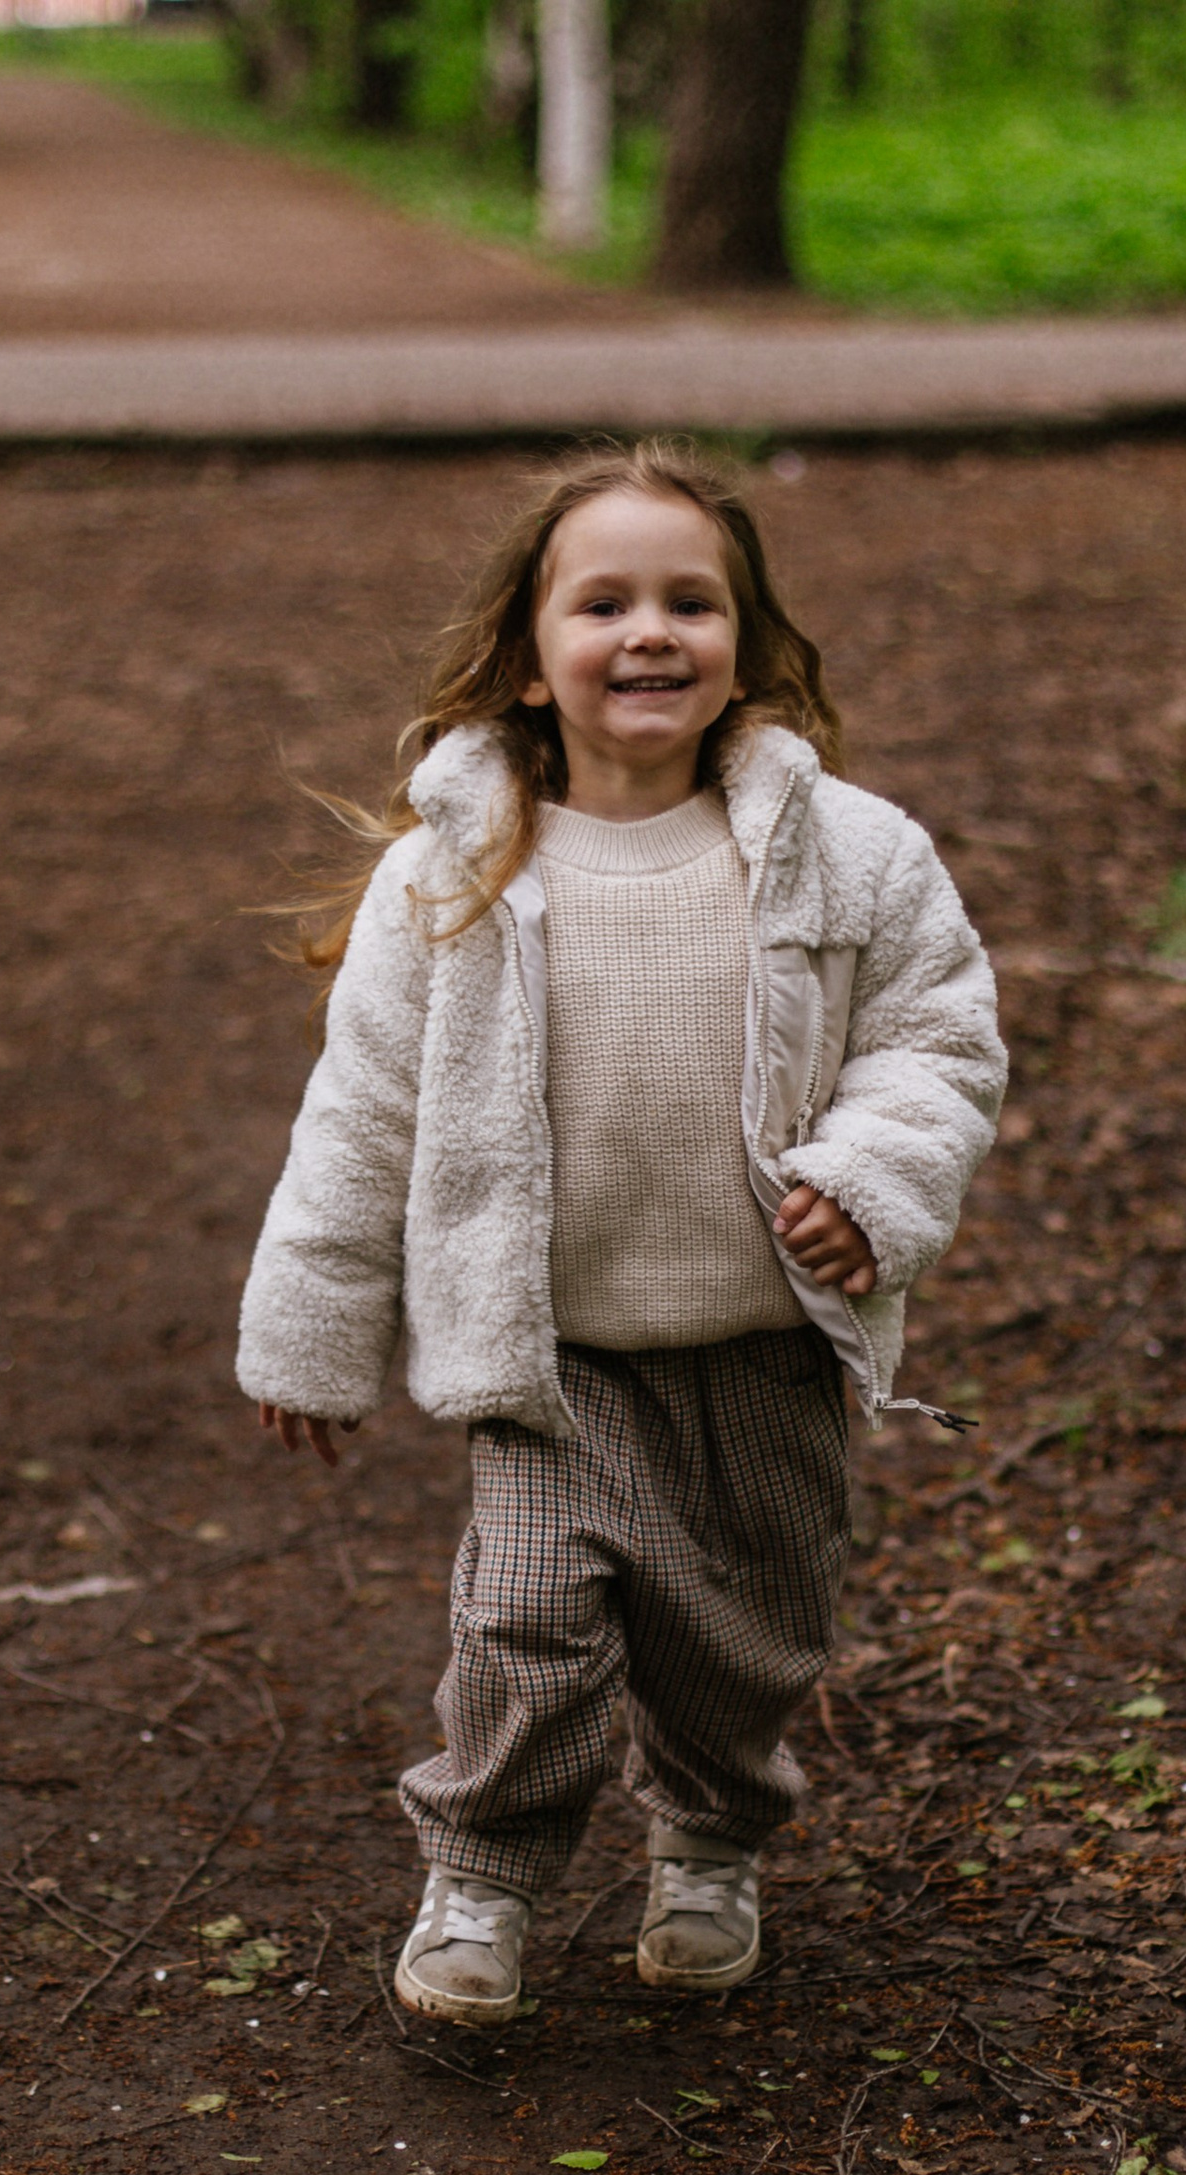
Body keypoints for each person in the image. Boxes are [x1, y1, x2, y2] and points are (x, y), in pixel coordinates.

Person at [238, 438, 1005, 2027]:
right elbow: (363, 1109)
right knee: (522, 1628)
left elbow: (937, 1041)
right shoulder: (449, 873)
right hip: (550, 1353)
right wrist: (313, 1333)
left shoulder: (849, 853)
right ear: (528, 655)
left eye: (690, 602)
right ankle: (486, 1879)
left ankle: (712, 1838)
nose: (649, 633)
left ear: (747, 646)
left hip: (759, 1347)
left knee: (745, 1643)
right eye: (603, 603)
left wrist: (870, 1183)